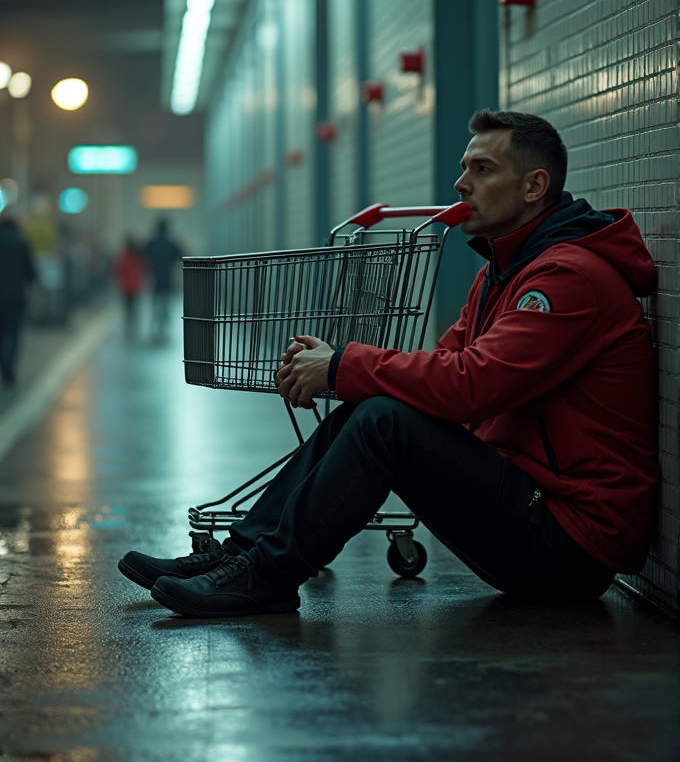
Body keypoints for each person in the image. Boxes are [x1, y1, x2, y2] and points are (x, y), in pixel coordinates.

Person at [118, 110, 659, 618]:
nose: (461, 183)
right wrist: (344, 369)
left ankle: (266, 577)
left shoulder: (568, 280)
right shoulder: (505, 272)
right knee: (373, 407)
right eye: (464, 166)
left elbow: (474, 385)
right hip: (530, 509)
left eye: (483, 168)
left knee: (385, 421)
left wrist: (342, 366)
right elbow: (447, 364)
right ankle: (240, 555)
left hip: (570, 544)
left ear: (534, 186)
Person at [0, 216, 36, 387]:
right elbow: (30, 270)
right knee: (13, 333)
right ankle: (9, 369)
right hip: (15, 296)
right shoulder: (21, 242)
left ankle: (3, 366)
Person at [144, 218, 181, 341]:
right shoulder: (171, 242)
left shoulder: (152, 242)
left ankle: (156, 325)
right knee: (166, 303)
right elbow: (181, 255)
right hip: (167, 277)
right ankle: (165, 325)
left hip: (155, 277)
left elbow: (142, 253)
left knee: (155, 302)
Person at [113, 238, 146, 338]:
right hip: (135, 286)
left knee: (128, 307)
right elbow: (144, 268)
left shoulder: (123, 257)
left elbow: (118, 271)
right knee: (135, 306)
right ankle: (134, 324)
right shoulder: (138, 257)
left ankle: (129, 325)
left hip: (126, 286)